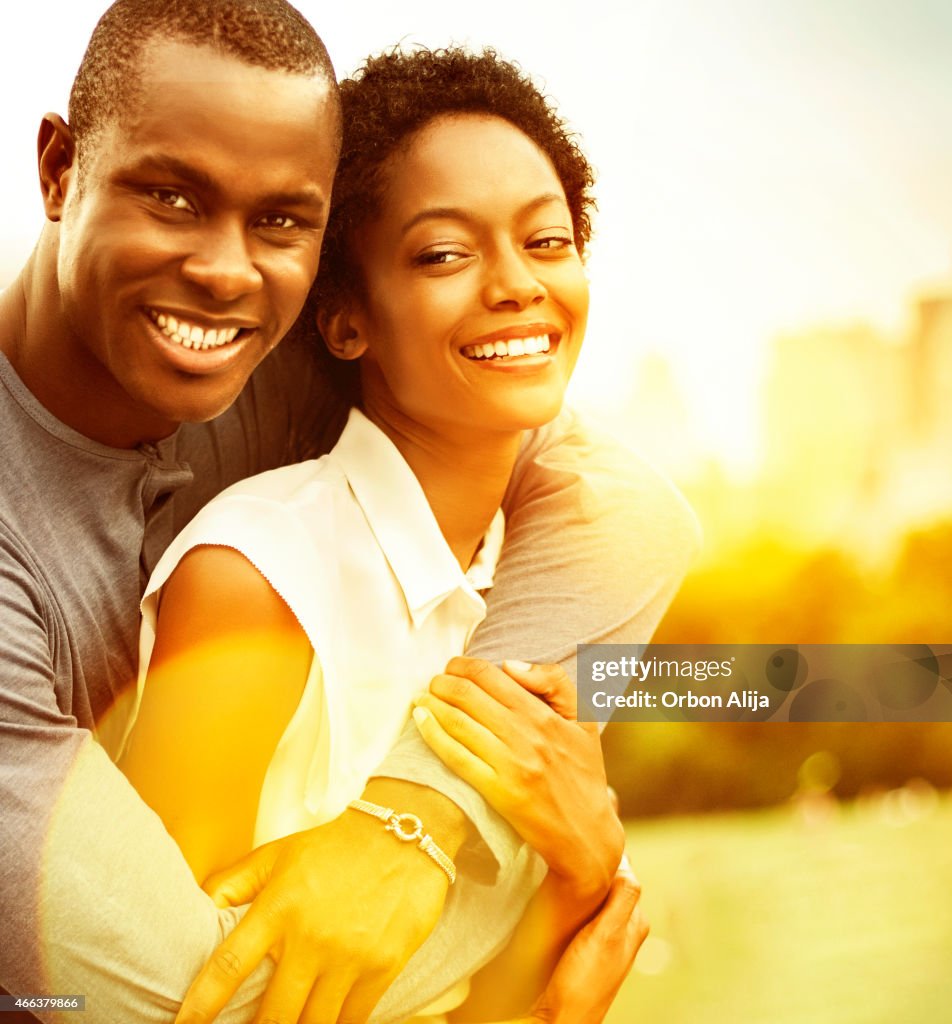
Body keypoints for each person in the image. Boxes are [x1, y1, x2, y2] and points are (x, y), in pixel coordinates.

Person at [0, 1, 698, 1021]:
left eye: (281, 220)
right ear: (59, 170)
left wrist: (420, 808)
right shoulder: (246, 550)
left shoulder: (262, 350)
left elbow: (629, 509)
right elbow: (176, 1001)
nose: (227, 269)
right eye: (170, 196)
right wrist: (553, 895)